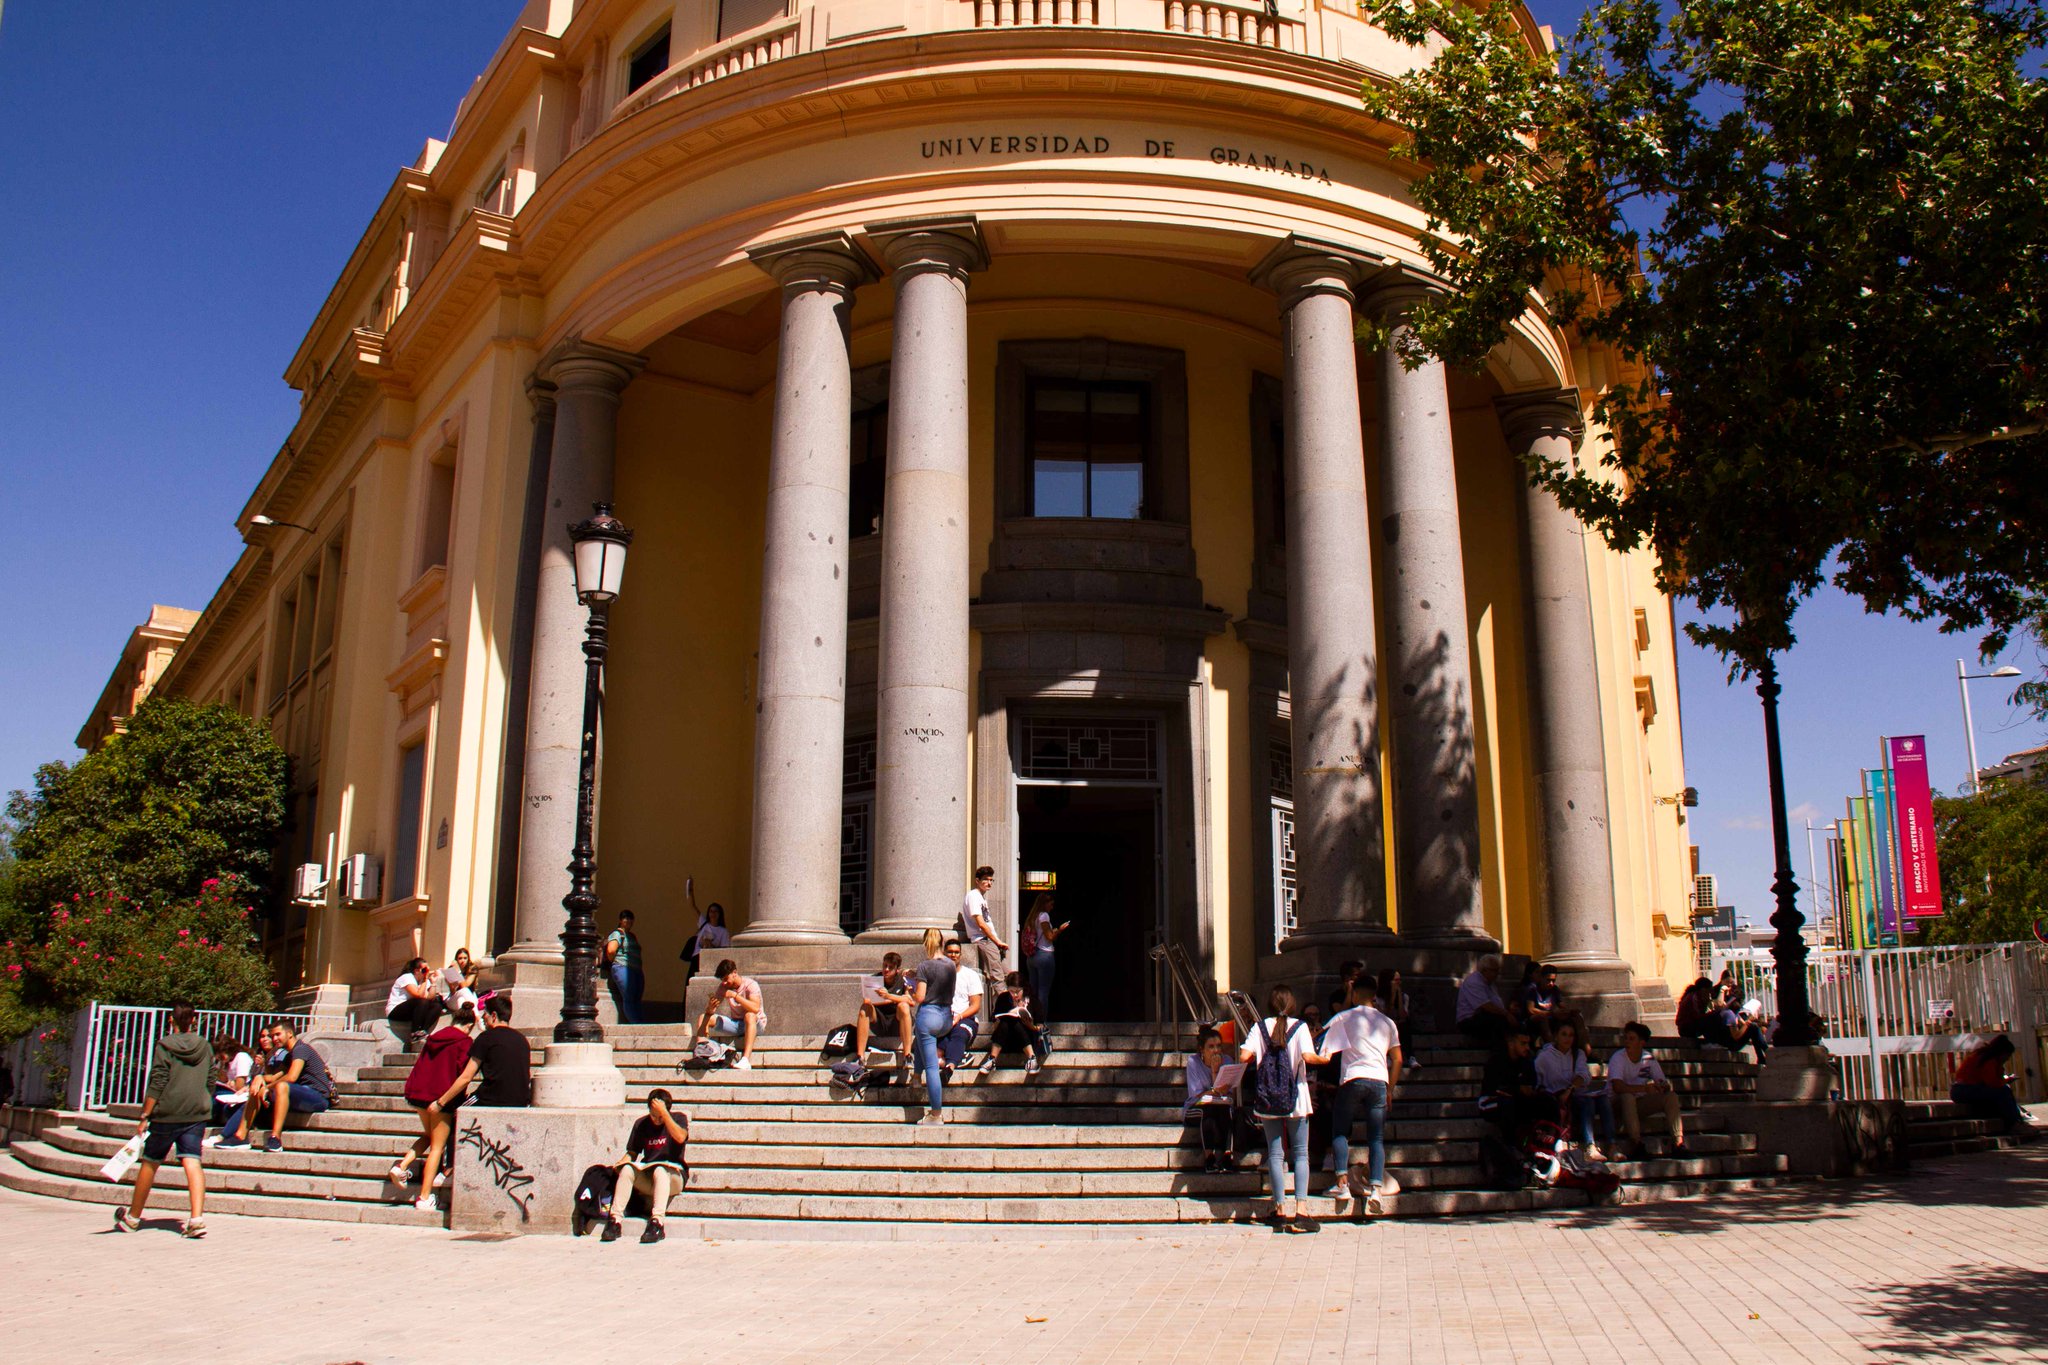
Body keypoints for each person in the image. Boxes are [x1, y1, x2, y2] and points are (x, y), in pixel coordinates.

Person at [113, 1005, 213, 1238]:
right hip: (196, 1112)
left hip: (167, 1112)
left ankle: (133, 1218)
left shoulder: (165, 1045)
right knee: (192, 1160)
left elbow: (158, 1080)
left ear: (171, 1020)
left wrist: (145, 1115)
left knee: (150, 1162)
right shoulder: (205, 1046)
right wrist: (204, 1102)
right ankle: (196, 1219)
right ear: (194, 1020)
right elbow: (210, 1079)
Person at [1238, 985, 1332, 1232]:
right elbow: (1309, 1057)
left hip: (1268, 1098)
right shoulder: (1300, 1027)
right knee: (1301, 1154)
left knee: (1275, 1154)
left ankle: (1279, 1209)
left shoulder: (1259, 1027)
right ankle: (1301, 1211)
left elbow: (1244, 1056)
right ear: (1292, 1005)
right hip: (1296, 1097)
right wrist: (1325, 1058)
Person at [1323, 974, 1403, 1216]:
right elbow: (1398, 1059)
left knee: (1340, 1131)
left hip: (1352, 1077)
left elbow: (1322, 1041)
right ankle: (1376, 1189)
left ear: (1355, 993)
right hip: (1379, 1080)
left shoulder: (1344, 1017)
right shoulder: (1387, 1022)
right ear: (1375, 995)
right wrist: (1390, 1089)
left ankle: (1342, 1184)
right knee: (1376, 1138)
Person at [390, 1001, 476, 1209]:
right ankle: (424, 1196)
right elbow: (462, 1073)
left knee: (429, 1136)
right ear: (469, 1026)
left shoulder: (434, 1037)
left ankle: (402, 1166)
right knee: (437, 1147)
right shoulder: (464, 1042)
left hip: (419, 1093)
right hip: (441, 1098)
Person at [234, 1018, 333, 1154]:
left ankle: (275, 1138)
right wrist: (260, 1078)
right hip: (300, 1094)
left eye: (278, 1034)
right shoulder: (289, 1056)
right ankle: (240, 1136)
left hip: (318, 1097)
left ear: (290, 1033)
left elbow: (291, 1077)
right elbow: (275, 1077)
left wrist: (268, 1087)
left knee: (281, 1086)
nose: (274, 1039)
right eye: (273, 1035)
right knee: (258, 1088)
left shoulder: (301, 1049)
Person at [604, 1089, 688, 1244]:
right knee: (628, 1169)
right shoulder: (641, 1124)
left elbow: (680, 1137)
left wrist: (664, 1114)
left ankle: (657, 1223)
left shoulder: (678, 1118)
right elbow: (632, 1153)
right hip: (649, 1176)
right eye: (653, 1116)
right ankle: (615, 1221)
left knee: (660, 1169)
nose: (657, 1120)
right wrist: (620, 1164)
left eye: (660, 1117)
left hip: (673, 1177)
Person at [1607, 1021, 1689, 1159]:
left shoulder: (1648, 1058)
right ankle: (1636, 1144)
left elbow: (1662, 1081)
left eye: (1631, 1039)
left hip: (1638, 1103)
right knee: (1628, 1096)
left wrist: (1662, 1086)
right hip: (1616, 1104)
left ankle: (1678, 1143)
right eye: (1626, 1038)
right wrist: (1645, 1088)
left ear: (1642, 1042)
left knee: (1671, 1096)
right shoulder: (1618, 1058)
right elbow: (1618, 1087)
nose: (1627, 1042)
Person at [1535, 1020, 1614, 1158]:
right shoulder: (1544, 1057)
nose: (1568, 1038)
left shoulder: (1578, 1054)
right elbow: (1537, 1081)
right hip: (1556, 1099)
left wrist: (1570, 1088)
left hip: (1574, 1095)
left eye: (1571, 1035)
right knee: (1587, 1102)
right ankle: (1590, 1146)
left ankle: (1612, 1145)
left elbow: (1584, 1075)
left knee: (1603, 1100)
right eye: (1564, 1034)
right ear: (1556, 1036)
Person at [910, 927, 956, 1126]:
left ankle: (936, 1114)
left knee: (931, 1067)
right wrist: (917, 975)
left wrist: (910, 989)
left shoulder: (924, 966)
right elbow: (938, 980)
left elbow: (920, 997)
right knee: (922, 1040)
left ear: (925, 943)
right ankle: (916, 1076)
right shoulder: (950, 964)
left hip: (928, 1015)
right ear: (942, 942)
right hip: (946, 1017)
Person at [1952, 1035, 2033, 1135]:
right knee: (2004, 1091)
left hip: (1963, 1090)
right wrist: (2005, 1080)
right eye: (2007, 1055)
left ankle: (2017, 1120)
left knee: (2003, 1091)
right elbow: (1993, 1083)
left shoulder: (1984, 1057)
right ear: (2001, 1053)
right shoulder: (1989, 1061)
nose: (2007, 1059)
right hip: (1964, 1090)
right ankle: (2014, 1123)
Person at [1184, 1025, 1238, 1172]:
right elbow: (1196, 1095)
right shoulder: (1193, 1062)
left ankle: (1227, 1155)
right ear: (1202, 1049)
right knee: (1207, 1110)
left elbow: (1227, 1092)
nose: (1216, 1050)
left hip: (1220, 1105)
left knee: (1226, 1109)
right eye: (1211, 1047)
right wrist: (1215, 1089)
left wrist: (1215, 1073)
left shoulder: (1227, 1060)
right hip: (1197, 1107)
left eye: (1219, 1046)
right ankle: (1209, 1157)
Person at [696, 959, 766, 1069]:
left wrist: (735, 996)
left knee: (749, 1015)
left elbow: (755, 1008)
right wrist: (710, 1009)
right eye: (722, 980)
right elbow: (711, 1010)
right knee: (703, 1017)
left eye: (726, 979)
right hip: (737, 1024)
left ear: (734, 973)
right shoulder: (723, 987)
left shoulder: (751, 985)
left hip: (756, 1023)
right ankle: (701, 1052)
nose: (724, 983)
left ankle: (745, 1060)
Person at [980, 971, 1049, 1076]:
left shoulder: (1033, 1001)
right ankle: (992, 1059)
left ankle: (1032, 1058)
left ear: (1023, 988)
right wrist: (998, 1021)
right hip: (1005, 1040)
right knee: (1007, 1021)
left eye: (1017, 991)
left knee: (1016, 1022)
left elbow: (1041, 1027)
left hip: (1027, 1041)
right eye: (1011, 991)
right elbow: (996, 1021)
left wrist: (1031, 1026)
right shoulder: (1003, 998)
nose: (1015, 995)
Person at [855, 951, 915, 1065]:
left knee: (904, 1006)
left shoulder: (903, 980)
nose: (886, 969)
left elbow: (910, 1001)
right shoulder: (874, 980)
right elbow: (867, 1001)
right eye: (885, 966)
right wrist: (894, 998)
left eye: (890, 967)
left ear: (897, 970)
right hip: (879, 1021)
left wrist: (888, 996)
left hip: (897, 1022)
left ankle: (907, 1055)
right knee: (864, 1009)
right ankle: (860, 1057)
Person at [959, 865, 1008, 997]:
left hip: (989, 941)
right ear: (977, 880)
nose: (989, 883)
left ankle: (1003, 1003)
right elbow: (981, 923)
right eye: (986, 879)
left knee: (1007, 974)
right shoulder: (973, 896)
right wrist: (997, 941)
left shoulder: (981, 897)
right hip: (983, 940)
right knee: (998, 976)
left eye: (991, 880)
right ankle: (1005, 1006)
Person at [1021, 891, 1069, 1024]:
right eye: (1051, 904)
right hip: (1044, 955)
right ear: (1044, 904)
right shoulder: (1044, 916)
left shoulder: (1033, 916)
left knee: (1033, 991)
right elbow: (1050, 936)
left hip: (1032, 956)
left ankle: (1031, 1018)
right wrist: (1060, 929)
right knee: (1043, 992)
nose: (1052, 907)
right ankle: (1041, 1021)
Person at [939, 939, 984, 1071]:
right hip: (943, 1018)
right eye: (950, 952)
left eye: (956, 952)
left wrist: (959, 1016)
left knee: (959, 1034)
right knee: (940, 1040)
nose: (953, 955)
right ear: (944, 953)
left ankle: (950, 1067)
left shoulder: (971, 975)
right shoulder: (938, 975)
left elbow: (975, 1006)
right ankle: (960, 1056)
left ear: (960, 954)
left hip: (965, 1018)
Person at [681, 877, 729, 988]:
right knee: (690, 985)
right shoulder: (704, 923)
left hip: (711, 960)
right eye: (711, 911)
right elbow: (692, 906)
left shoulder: (723, 931)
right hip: (697, 958)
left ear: (720, 914)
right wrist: (690, 890)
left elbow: (724, 950)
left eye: (716, 911)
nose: (713, 914)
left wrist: (711, 945)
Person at [1455, 954, 1513, 1046]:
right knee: (1498, 1022)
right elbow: (1485, 1005)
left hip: (1482, 1016)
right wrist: (1506, 1014)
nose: (1497, 974)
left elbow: (1497, 1003)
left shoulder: (1490, 984)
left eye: (1498, 970)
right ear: (1484, 970)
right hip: (1469, 1020)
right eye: (1494, 970)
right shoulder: (1474, 982)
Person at [386, 957, 445, 1043]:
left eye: (428, 970)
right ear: (417, 971)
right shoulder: (407, 977)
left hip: (412, 1011)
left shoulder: (423, 981)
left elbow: (430, 997)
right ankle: (414, 1032)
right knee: (422, 1001)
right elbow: (418, 995)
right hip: (395, 1011)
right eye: (424, 970)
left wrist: (433, 983)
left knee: (437, 1006)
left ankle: (423, 1031)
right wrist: (425, 980)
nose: (427, 972)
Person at [209, 1034, 254, 1141]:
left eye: (221, 1056)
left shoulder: (241, 1057)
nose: (220, 1060)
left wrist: (229, 1082)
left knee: (216, 1094)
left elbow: (240, 1086)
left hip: (242, 1094)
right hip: (230, 1093)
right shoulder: (225, 1063)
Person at [603, 910, 645, 1025]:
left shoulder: (632, 936)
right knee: (629, 997)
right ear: (620, 920)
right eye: (625, 918)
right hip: (622, 968)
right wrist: (616, 962)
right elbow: (611, 950)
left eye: (630, 918)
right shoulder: (617, 934)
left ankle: (639, 1023)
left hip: (636, 970)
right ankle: (635, 1024)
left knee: (637, 999)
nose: (628, 921)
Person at [1379, 968, 1419, 1075]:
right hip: (1384, 1026)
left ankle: (1411, 1057)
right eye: (1395, 980)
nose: (1398, 983)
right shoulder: (1378, 998)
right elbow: (1385, 1014)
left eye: (1399, 980)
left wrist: (1399, 997)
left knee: (1405, 1025)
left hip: (1398, 1025)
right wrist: (1392, 996)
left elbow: (1402, 1015)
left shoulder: (1404, 997)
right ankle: (1387, 1055)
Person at [1520, 963, 1564, 1040]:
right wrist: (1550, 1013)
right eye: (1548, 980)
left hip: (1552, 1017)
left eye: (1553, 980)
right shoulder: (1532, 989)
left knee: (1575, 1017)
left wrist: (1567, 1011)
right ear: (1541, 978)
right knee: (1543, 1018)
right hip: (1534, 1019)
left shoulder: (1555, 989)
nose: (1551, 983)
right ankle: (1550, 1044)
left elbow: (1562, 1005)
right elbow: (1531, 1009)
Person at [1675, 977, 1714, 1042]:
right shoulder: (1694, 997)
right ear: (1703, 989)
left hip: (1688, 1026)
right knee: (1712, 1019)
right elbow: (1698, 1015)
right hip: (1686, 1028)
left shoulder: (1695, 996)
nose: (1709, 995)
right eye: (1708, 992)